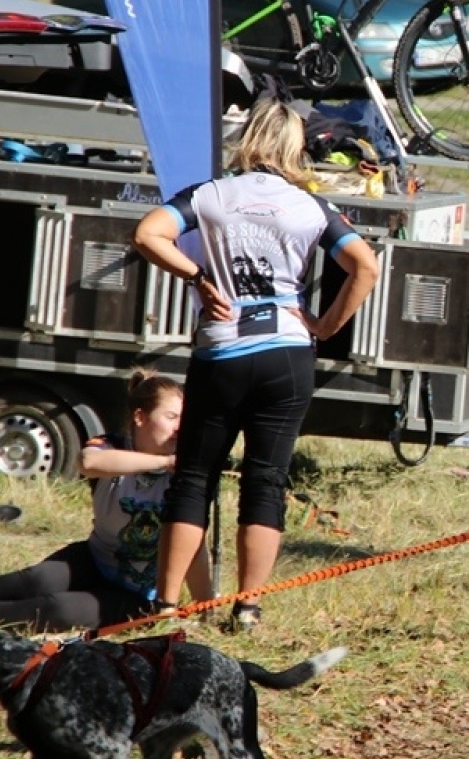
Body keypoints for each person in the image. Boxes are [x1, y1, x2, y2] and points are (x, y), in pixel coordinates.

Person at [133, 98, 380, 631]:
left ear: (247, 137)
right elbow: (365, 265)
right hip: (288, 353)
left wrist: (197, 276)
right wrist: (326, 327)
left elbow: (148, 233)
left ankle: (169, 606)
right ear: (294, 146)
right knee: (266, 481)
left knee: (194, 478)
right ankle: (249, 607)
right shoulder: (309, 206)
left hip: (222, 349)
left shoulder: (211, 194)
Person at [0, 371, 212, 633]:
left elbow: (194, 545)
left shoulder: (186, 477)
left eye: (184, 418)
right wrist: (161, 463)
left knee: (58, 609)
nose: (179, 428)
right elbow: (88, 462)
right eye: (171, 416)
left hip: (136, 594)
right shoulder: (113, 446)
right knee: (36, 580)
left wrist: (205, 604)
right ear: (140, 418)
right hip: (94, 559)